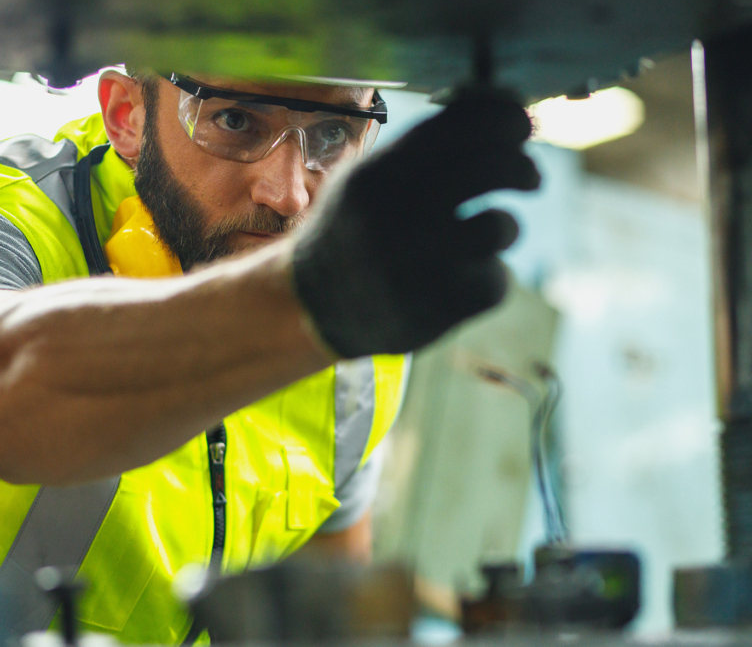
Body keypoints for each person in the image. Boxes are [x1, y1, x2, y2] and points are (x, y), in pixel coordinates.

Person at [0, 68, 539, 644]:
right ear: (126, 116)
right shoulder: (22, 217)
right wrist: (305, 297)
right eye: (234, 121)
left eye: (333, 133)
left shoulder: (358, 340)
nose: (289, 195)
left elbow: (330, 583)